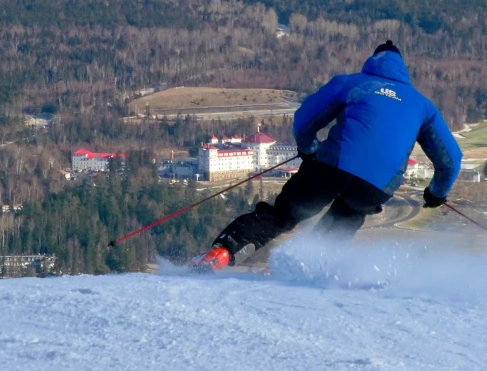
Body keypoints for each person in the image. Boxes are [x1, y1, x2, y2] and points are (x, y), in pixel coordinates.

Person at [191, 40, 463, 270]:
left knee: (281, 215)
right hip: (376, 187)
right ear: (403, 70)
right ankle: (306, 267)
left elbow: (305, 119)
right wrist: (437, 193)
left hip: (331, 168)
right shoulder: (423, 106)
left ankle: (221, 254)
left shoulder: (352, 83)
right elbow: (450, 159)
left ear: (372, 61)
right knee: (347, 215)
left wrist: (308, 148)